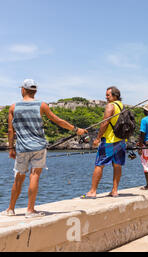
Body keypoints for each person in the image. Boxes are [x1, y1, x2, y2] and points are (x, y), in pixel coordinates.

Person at [2, 79, 87, 218]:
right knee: (34, 175)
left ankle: (10, 209)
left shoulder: (13, 107)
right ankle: (30, 210)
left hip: (22, 148)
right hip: (38, 147)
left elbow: (10, 130)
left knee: (18, 177)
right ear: (34, 91)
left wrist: (11, 148)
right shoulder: (41, 105)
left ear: (23, 90)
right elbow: (58, 120)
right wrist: (76, 129)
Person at [82, 86, 127, 199]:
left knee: (99, 164)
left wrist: (97, 138)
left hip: (109, 141)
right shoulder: (122, 106)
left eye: (108, 95)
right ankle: (115, 191)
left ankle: (92, 191)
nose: (106, 97)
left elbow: (105, 123)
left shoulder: (110, 106)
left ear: (115, 95)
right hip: (121, 141)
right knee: (117, 165)